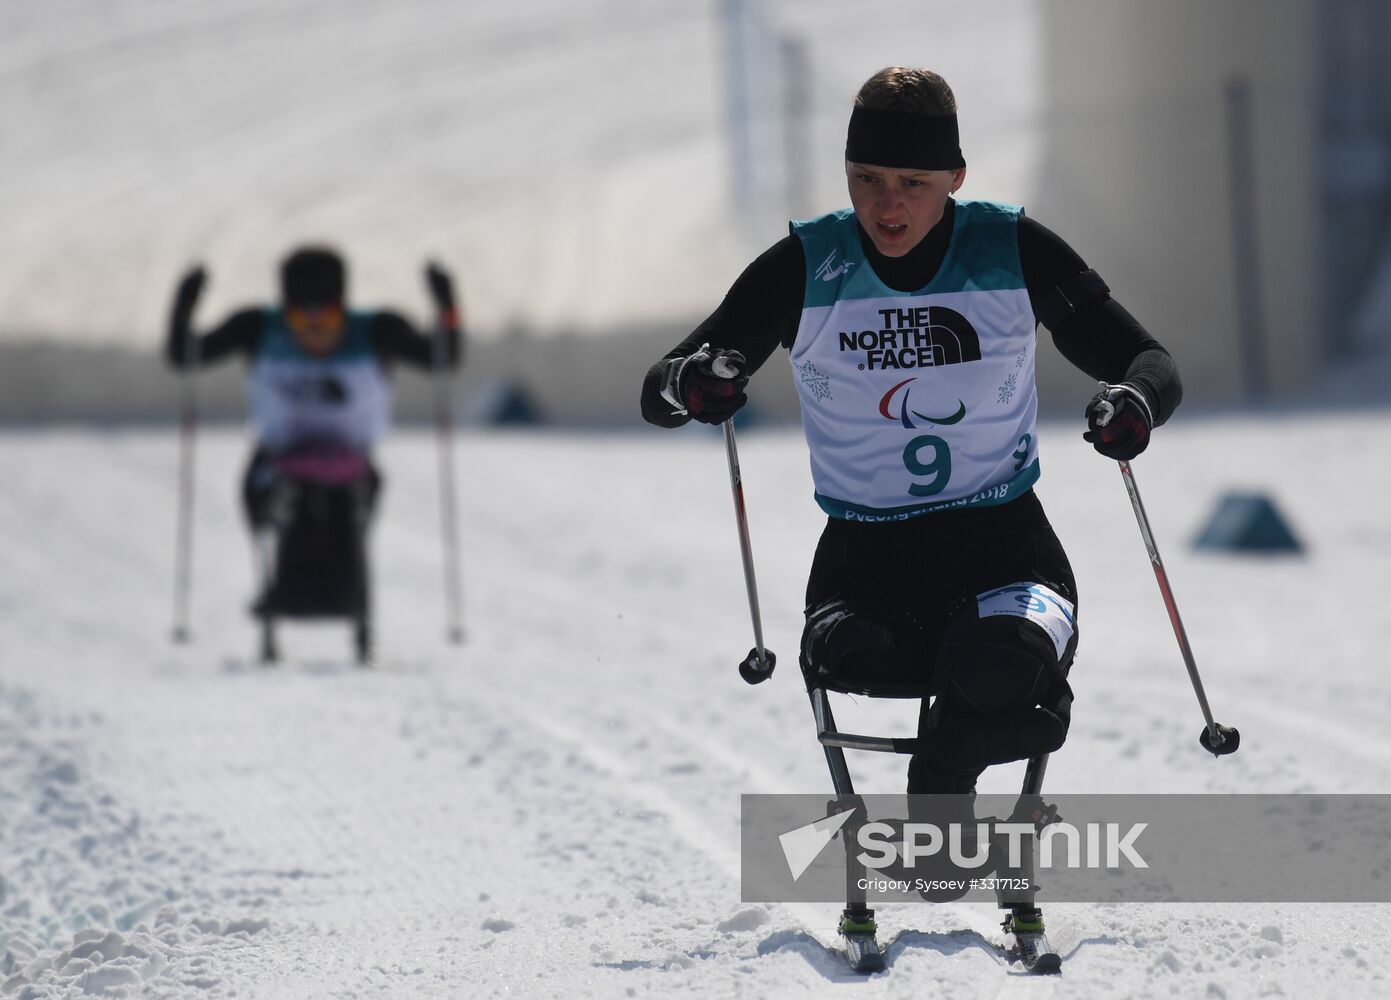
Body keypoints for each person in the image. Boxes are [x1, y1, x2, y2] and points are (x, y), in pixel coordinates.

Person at [640, 66, 1181, 938]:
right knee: (861, 660)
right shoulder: (808, 264)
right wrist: (695, 385)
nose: (886, 207)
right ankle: (946, 810)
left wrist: (1133, 405)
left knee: (1006, 666)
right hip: (865, 565)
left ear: (955, 180)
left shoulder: (1013, 251)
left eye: (913, 186)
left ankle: (935, 813)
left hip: (1005, 550)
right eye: (867, 181)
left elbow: (1146, 359)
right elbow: (660, 388)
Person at [166, 245, 463, 661]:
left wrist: (447, 305)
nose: (314, 330)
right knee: (261, 506)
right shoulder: (256, 328)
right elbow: (185, 355)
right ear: (284, 312)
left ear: (343, 308)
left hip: (353, 464)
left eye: (326, 317)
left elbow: (443, 358)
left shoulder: (378, 331)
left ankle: (357, 615)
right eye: (300, 319)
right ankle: (274, 607)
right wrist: (183, 306)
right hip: (278, 458)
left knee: (352, 519)